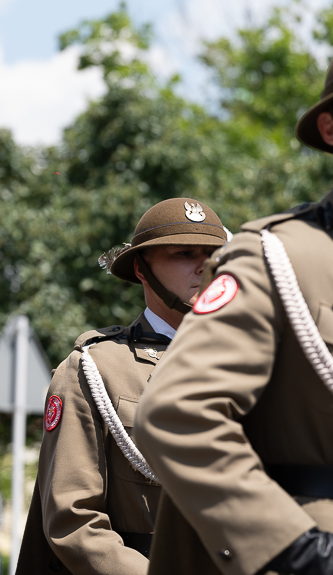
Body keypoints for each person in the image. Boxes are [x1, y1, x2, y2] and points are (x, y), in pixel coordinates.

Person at [134, 59, 333, 575]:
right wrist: (297, 550)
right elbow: (178, 413)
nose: (196, 265)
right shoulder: (279, 260)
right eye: (179, 254)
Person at [15, 198, 227, 574]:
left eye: (214, 253)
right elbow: (73, 521)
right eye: (184, 253)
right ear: (142, 270)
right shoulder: (95, 369)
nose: (205, 265)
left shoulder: (255, 361)